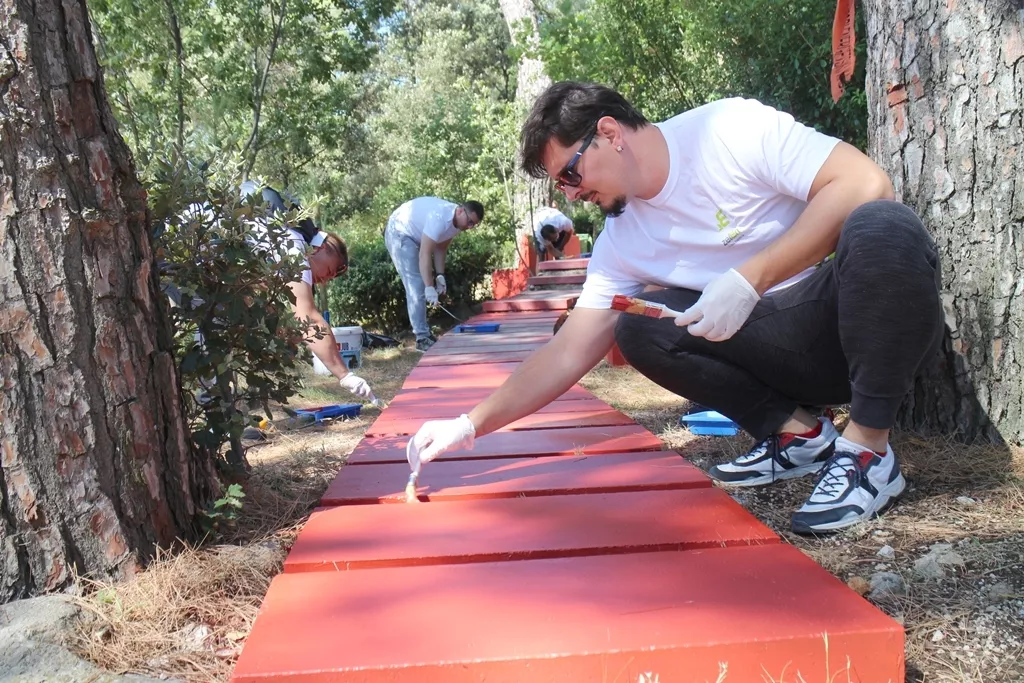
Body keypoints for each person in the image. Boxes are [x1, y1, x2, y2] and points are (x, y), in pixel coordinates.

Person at [407, 81, 944, 534]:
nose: (570, 196)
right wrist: (467, 425)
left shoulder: (729, 131)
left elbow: (865, 181)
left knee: (882, 224)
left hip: (847, 327)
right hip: (776, 354)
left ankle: (869, 451)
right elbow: (567, 352)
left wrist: (749, 278)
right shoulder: (621, 242)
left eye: (570, 175)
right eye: (560, 186)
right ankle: (799, 435)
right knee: (637, 326)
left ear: (609, 134)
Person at [240, 181, 377, 403]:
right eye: (329, 271)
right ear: (320, 247)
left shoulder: (279, 247)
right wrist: (345, 375)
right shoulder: (293, 245)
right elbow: (308, 319)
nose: (323, 280)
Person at [385, 196, 484, 351]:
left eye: (474, 225)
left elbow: (440, 248)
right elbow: (425, 253)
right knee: (416, 284)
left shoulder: (458, 225)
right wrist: (429, 287)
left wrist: (440, 276)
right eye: (470, 222)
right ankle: (421, 337)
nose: (470, 227)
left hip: (414, 234)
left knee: (422, 280)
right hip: (399, 231)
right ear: (460, 211)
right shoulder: (440, 218)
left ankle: (424, 334)